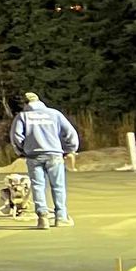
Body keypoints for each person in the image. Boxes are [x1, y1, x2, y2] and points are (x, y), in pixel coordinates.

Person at [10, 92, 80, 228]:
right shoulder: (55, 114)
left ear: (25, 103)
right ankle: (61, 217)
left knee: (37, 186)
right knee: (58, 186)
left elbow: (16, 136)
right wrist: (70, 149)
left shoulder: (23, 116)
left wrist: (22, 151)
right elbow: (70, 133)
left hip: (33, 156)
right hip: (54, 154)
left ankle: (42, 217)